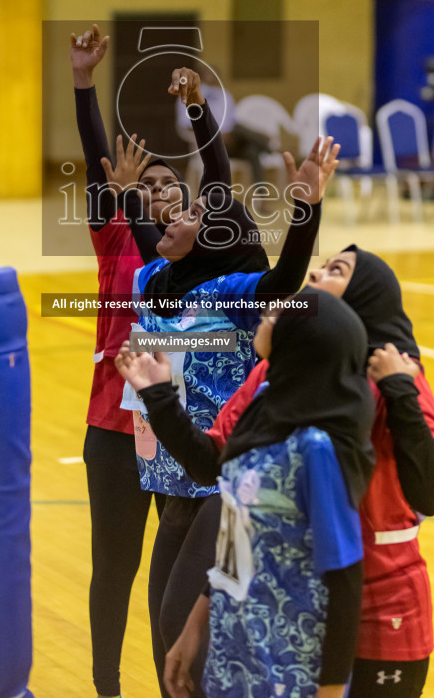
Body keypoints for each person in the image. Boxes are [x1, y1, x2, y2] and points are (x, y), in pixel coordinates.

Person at [118, 245, 434, 698]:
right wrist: (159, 397)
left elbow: (430, 494)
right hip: (284, 614)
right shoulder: (270, 376)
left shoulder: (394, 380)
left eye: (336, 270)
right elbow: (217, 473)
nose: (314, 273)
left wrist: (399, 391)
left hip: (376, 613)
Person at [103, 135, 340, 698]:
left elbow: (285, 280)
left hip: (214, 473)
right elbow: (146, 236)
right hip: (164, 471)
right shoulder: (148, 281)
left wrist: (304, 210)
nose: (171, 216)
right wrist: (128, 197)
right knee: (164, 627)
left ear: (210, 237)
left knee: (182, 621)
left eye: (187, 214)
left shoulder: (230, 292)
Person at [71, 24, 232, 698]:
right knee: (115, 563)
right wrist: (83, 82)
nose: (164, 188)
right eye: (151, 182)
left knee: (172, 576)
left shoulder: (202, 257)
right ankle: (106, 687)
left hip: (174, 434)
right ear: (135, 193)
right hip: (114, 429)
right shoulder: (118, 237)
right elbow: (96, 160)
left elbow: (217, 175)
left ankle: (170, 682)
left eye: (174, 183)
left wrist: (198, 107)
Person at [118, 290, 376, 698]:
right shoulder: (262, 404)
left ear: (302, 340)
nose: (265, 315)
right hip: (234, 651)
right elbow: (235, 538)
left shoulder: (317, 449)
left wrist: (329, 690)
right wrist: (194, 628)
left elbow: (344, 580)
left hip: (292, 665)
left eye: (275, 315)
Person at [175, 67, 273, 187]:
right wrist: (217, 134)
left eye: (215, 75)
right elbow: (186, 125)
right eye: (209, 75)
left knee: (252, 151)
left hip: (232, 142)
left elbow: (234, 121)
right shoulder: (189, 97)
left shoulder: (225, 96)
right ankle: (269, 147)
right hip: (209, 143)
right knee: (238, 130)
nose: (212, 78)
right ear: (199, 78)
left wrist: (229, 134)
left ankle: (260, 197)